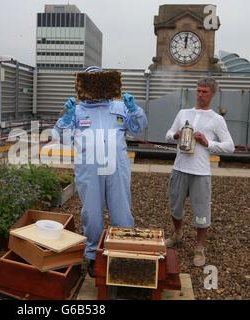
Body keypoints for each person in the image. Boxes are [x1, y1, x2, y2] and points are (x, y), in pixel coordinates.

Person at [53, 66, 148, 277]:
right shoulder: (77, 111)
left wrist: (134, 109)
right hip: (89, 167)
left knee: (122, 211)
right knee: (92, 214)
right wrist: (66, 118)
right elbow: (62, 138)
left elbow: (138, 126)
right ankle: (93, 255)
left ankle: (122, 253)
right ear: (84, 84)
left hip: (117, 166)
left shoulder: (119, 107)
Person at [165, 77, 235, 267]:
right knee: (175, 206)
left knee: (202, 212)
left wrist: (208, 142)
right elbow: (168, 134)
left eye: (205, 92)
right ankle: (178, 234)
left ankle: (199, 247)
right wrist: (176, 135)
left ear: (212, 94)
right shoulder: (183, 113)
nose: (200, 95)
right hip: (179, 168)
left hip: (200, 172)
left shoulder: (216, 119)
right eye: (198, 90)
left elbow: (230, 147)